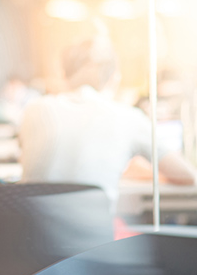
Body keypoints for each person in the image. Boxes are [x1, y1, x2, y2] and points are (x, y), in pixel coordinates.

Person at [18, 37, 195, 213]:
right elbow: (187, 176)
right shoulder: (129, 117)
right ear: (114, 78)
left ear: (64, 75)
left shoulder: (33, 109)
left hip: (31, 235)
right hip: (94, 237)